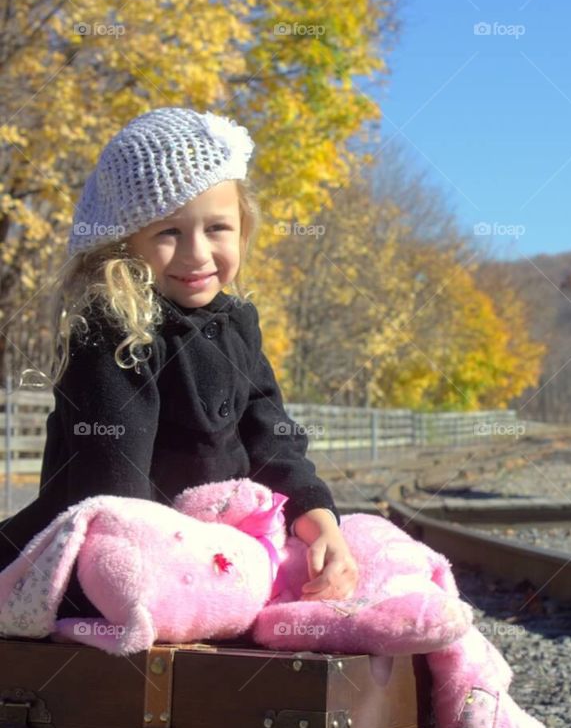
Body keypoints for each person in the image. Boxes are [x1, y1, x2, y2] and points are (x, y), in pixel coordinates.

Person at [0, 106, 358, 620]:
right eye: (168, 233)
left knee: (359, 548)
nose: (196, 254)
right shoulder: (114, 329)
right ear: (126, 241)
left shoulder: (238, 324)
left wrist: (317, 516)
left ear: (243, 229)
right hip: (123, 552)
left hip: (219, 540)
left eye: (217, 228)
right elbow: (113, 488)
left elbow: (272, 436)